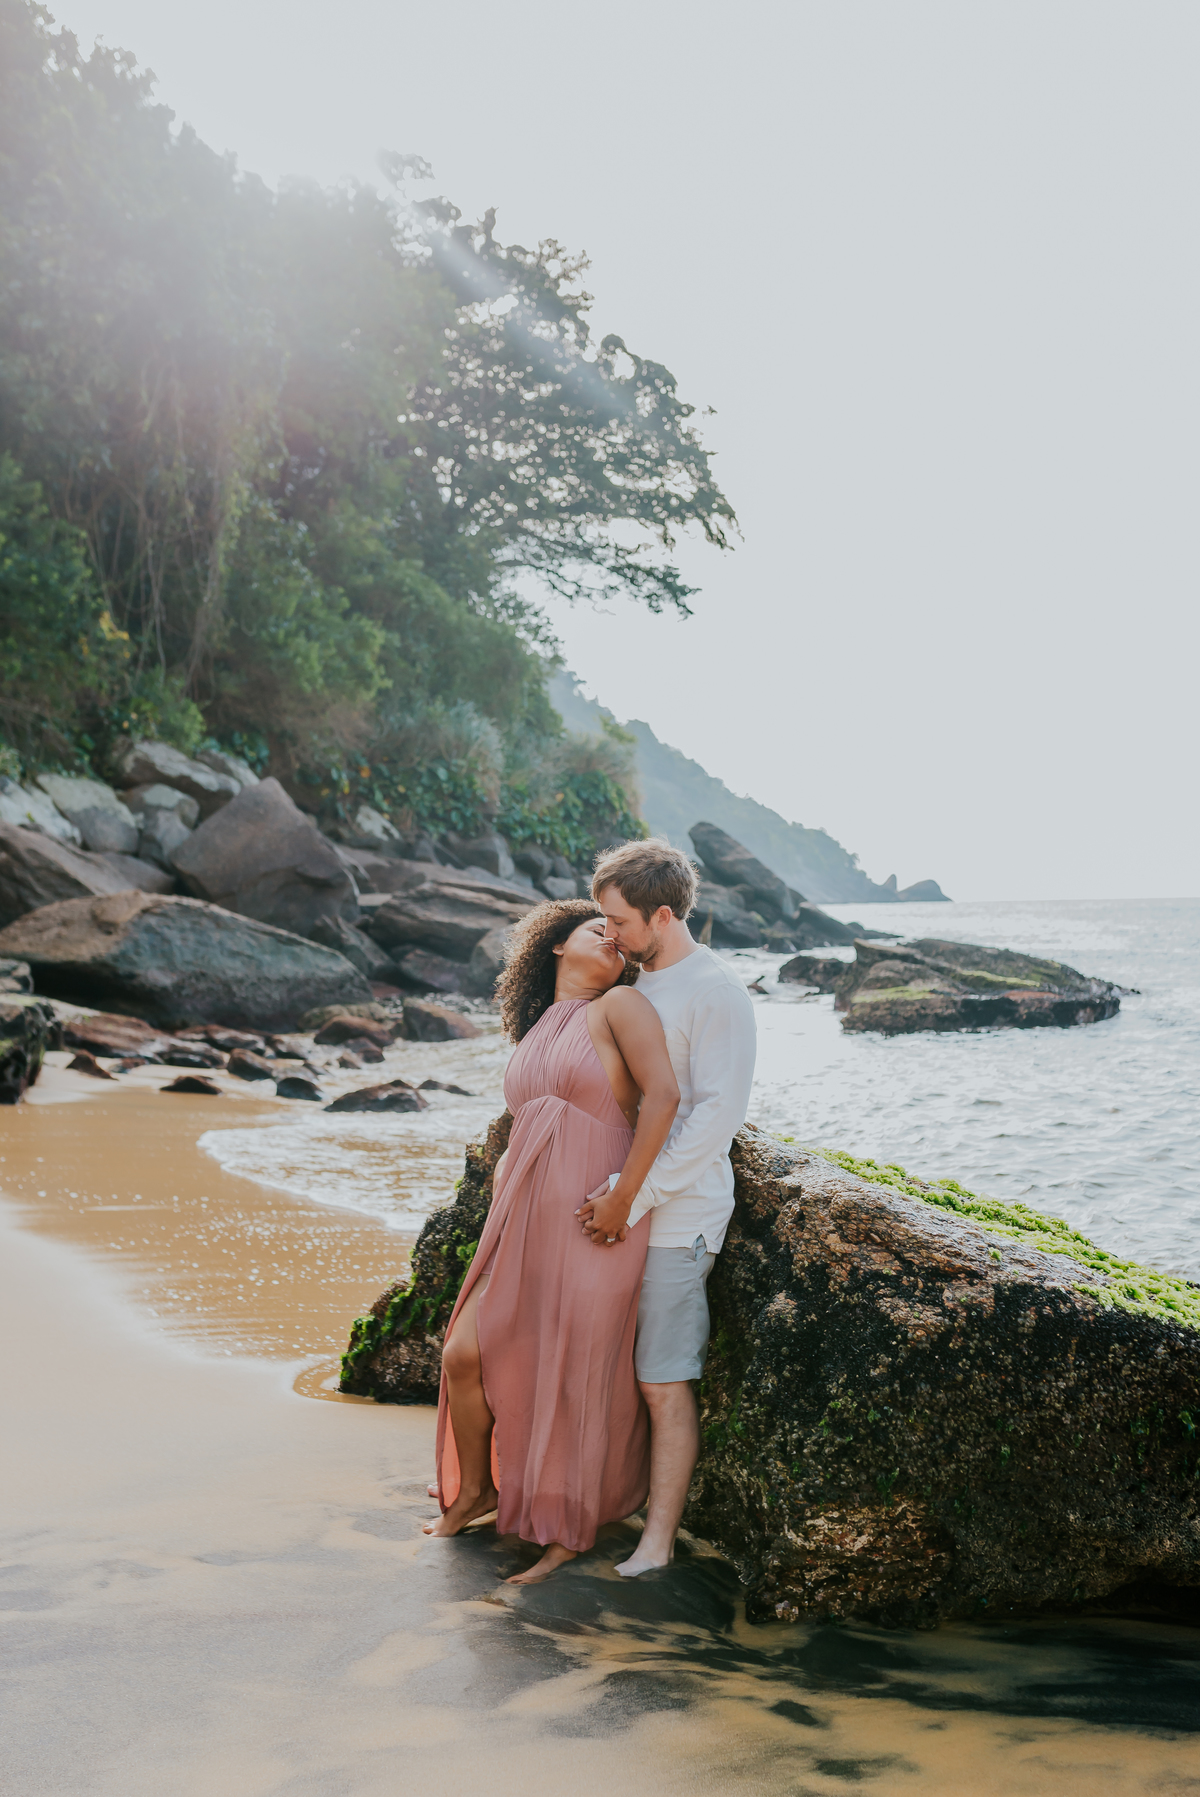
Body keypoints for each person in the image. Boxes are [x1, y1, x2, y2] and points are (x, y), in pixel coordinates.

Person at [424, 899, 680, 1586]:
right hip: (523, 1213)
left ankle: (568, 1530)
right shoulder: (536, 1027)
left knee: (579, 1373)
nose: (615, 943)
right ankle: (477, 1490)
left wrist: (625, 1196)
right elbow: (525, 1123)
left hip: (596, 1216)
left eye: (622, 939)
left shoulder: (620, 1009)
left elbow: (663, 1097)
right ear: (557, 946)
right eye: (600, 931)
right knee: (464, 1352)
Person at [577, 839, 757, 1577]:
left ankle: (658, 1541)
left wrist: (630, 1195)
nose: (609, 934)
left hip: (679, 1219)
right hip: (624, 1207)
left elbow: (716, 1121)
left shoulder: (716, 992)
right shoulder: (635, 985)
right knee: (607, 1371)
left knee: (661, 1377)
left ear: (660, 913)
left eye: (618, 920)